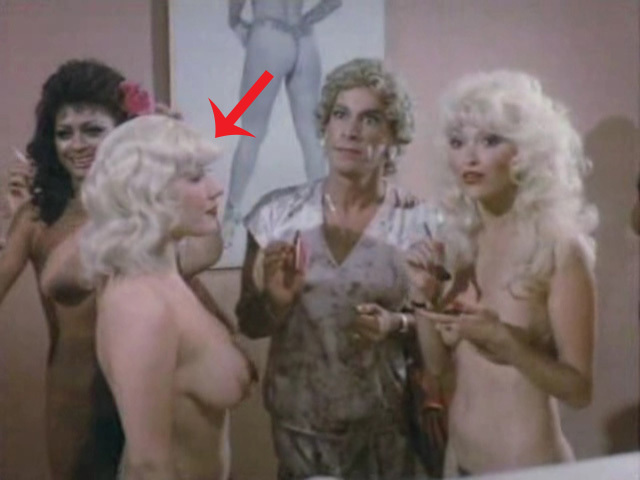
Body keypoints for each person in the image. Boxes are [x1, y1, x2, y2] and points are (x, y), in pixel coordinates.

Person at [0, 59, 220, 479]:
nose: (77, 145)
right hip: (77, 397)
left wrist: (176, 161)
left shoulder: (150, 206)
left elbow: (206, 252)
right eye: (64, 133)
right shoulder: (36, 217)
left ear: (122, 134)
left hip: (157, 384)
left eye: (93, 130)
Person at [236, 57, 436, 480]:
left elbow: (442, 331)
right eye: (340, 115)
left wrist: (396, 324)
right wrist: (275, 301)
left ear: (393, 135)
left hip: (387, 431)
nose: (351, 130)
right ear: (324, 127)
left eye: (370, 119)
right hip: (300, 429)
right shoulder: (275, 216)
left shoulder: (421, 223)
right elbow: (249, 322)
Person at [406, 70, 598, 476]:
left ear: (526, 152)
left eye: (490, 140)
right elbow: (438, 368)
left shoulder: (559, 248)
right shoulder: (460, 243)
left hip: (527, 468)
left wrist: (506, 342)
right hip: (458, 463)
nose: (470, 157)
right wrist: (422, 298)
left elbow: (579, 390)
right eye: (458, 142)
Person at [77, 115, 254, 479]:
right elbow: (148, 465)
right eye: (195, 177)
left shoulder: (168, 278)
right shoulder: (139, 305)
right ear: (147, 192)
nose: (216, 188)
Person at [223, 0, 342, 242]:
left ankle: (230, 218)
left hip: (270, 36)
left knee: (251, 133)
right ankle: (324, 217)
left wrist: (234, 20)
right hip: (304, 40)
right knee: (311, 137)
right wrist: (306, 19)